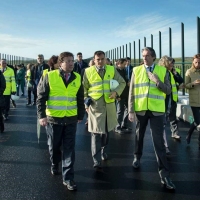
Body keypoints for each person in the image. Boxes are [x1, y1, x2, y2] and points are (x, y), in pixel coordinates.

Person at [128, 47, 175, 190]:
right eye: (143, 56)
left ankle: (164, 175)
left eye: (147, 56)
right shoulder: (136, 70)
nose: (144, 58)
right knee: (139, 135)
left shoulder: (162, 71)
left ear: (153, 57)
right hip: (141, 109)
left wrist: (157, 81)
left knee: (158, 142)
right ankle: (137, 156)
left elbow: (168, 90)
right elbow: (132, 91)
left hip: (157, 111)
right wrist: (130, 110)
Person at [37, 51, 85, 191]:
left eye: (72, 61)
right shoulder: (49, 76)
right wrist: (42, 116)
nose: (71, 63)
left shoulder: (77, 77)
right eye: (68, 61)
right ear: (60, 63)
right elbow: (41, 97)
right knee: (54, 146)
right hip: (54, 120)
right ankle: (54, 163)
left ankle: (68, 178)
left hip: (70, 119)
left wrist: (80, 114)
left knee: (69, 149)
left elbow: (80, 98)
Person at [82, 50, 126, 169]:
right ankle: (96, 159)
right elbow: (84, 89)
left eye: (102, 59)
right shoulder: (88, 71)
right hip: (95, 106)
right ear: (94, 60)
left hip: (109, 106)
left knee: (106, 132)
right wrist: (86, 103)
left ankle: (103, 151)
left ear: (105, 59)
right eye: (98, 59)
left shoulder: (111, 69)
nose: (100, 61)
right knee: (95, 133)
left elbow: (122, 82)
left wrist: (116, 92)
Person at [158, 56, 183, 155]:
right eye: (171, 63)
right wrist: (176, 86)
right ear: (165, 63)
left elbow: (180, 81)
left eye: (173, 63)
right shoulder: (161, 72)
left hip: (172, 98)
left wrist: (175, 73)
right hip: (164, 99)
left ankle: (175, 133)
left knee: (173, 117)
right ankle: (163, 145)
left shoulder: (173, 71)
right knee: (163, 122)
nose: (172, 64)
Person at [185, 53, 200, 148]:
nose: (198, 64)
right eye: (196, 62)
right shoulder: (189, 72)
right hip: (194, 100)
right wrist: (193, 83)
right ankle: (189, 134)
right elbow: (186, 85)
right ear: (193, 62)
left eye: (199, 62)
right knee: (197, 121)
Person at [115, 58, 131, 134]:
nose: (125, 65)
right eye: (124, 64)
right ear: (119, 64)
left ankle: (124, 125)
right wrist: (117, 96)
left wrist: (128, 82)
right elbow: (113, 84)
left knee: (127, 109)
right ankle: (117, 127)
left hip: (126, 93)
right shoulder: (115, 72)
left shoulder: (124, 70)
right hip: (120, 95)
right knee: (119, 111)